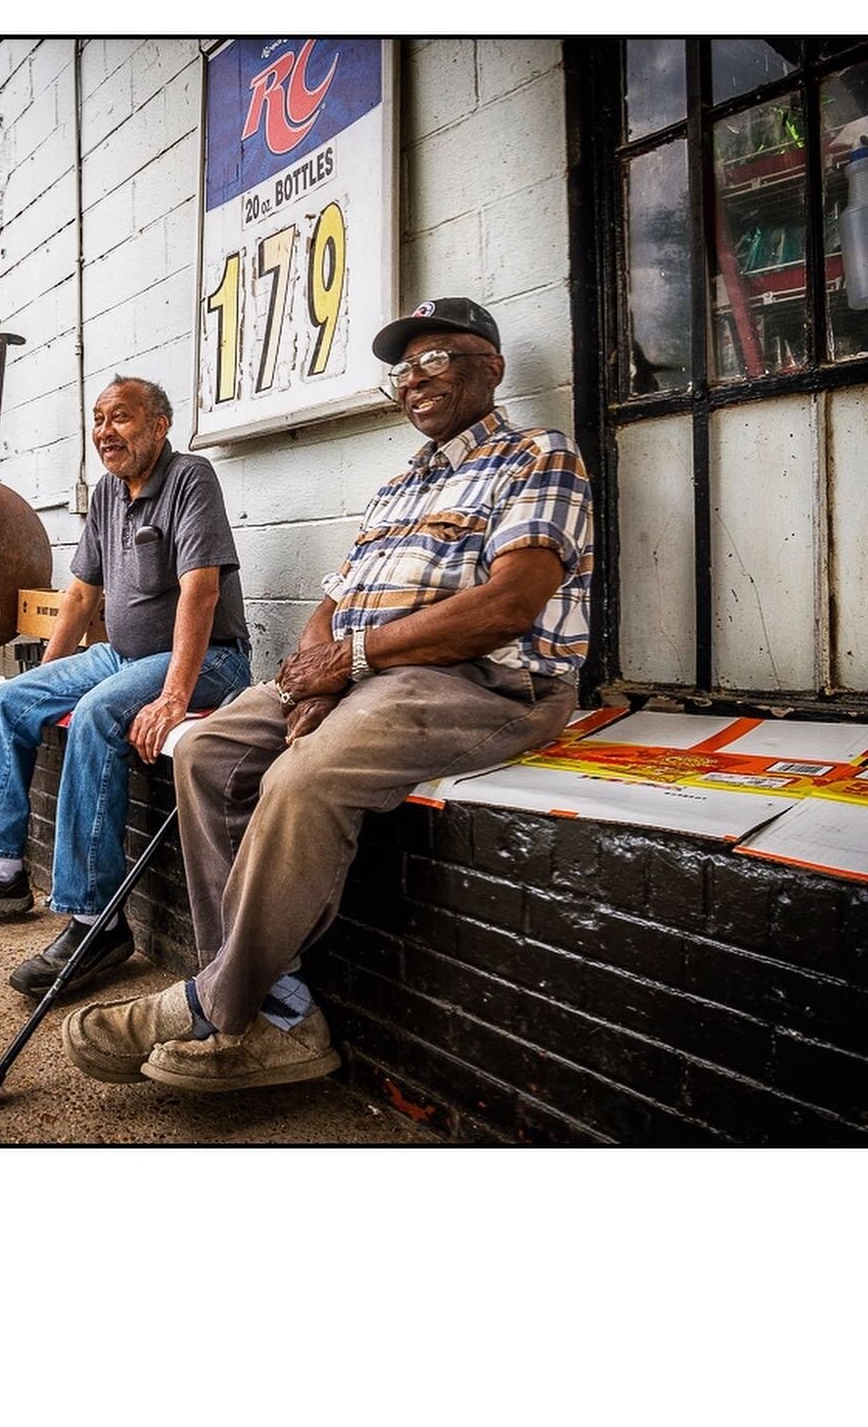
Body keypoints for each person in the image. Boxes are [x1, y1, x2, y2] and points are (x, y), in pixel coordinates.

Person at [64, 298, 593, 1093]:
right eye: (401, 370)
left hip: (485, 680)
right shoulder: (398, 484)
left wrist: (348, 662)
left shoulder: (537, 455)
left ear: (491, 365)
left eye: (435, 360)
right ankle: (280, 1012)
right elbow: (330, 603)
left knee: (301, 776)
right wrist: (321, 666)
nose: (414, 381)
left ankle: (213, 1005)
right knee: (205, 748)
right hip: (367, 670)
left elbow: (506, 606)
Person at [0, 375, 251, 1000]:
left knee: (95, 715)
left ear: (158, 426)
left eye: (120, 417)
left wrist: (175, 695)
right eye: (98, 419)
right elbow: (81, 594)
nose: (105, 432)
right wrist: (45, 673)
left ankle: (97, 923)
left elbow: (201, 589)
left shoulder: (190, 477)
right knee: (12, 700)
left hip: (207, 662)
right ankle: (3, 871)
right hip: (122, 656)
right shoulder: (107, 494)